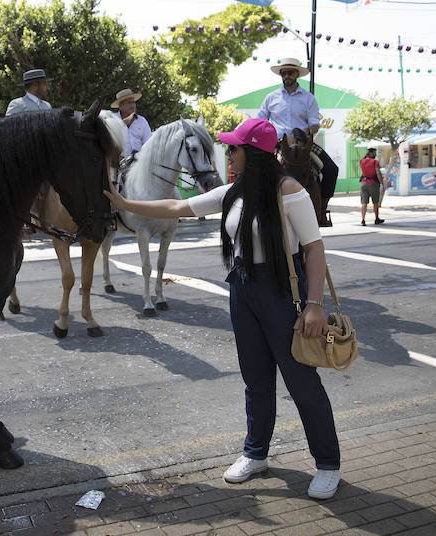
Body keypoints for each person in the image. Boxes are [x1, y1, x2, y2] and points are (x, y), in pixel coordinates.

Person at [104, 118, 342, 500]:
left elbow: (314, 248)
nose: (228, 154)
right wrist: (124, 203)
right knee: (255, 378)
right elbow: (179, 205)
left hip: (283, 291)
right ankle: (255, 453)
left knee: (301, 381)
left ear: (256, 154)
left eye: (234, 148)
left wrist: (314, 306)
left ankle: (328, 463)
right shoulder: (233, 191)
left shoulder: (290, 190)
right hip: (243, 288)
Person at [258, 58, 339, 211]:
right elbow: (260, 119)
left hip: (302, 144)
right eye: (284, 73)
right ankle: (258, 208)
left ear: (297, 75)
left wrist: (305, 132)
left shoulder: (308, 98)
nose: (287, 76)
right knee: (256, 169)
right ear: (281, 75)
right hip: (277, 143)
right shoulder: (271, 98)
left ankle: (322, 210)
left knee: (331, 169)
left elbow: (314, 124)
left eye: (290, 73)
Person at [111, 88, 152, 158]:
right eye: (129, 103)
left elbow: (149, 143)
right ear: (121, 106)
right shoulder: (112, 121)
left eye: (134, 102)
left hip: (139, 162)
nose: (133, 106)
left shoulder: (142, 121)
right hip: (118, 164)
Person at [359, 147, 385, 226]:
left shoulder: (362, 161)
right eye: (374, 153)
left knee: (364, 203)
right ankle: (376, 218)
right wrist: (382, 183)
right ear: (371, 153)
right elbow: (378, 172)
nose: (375, 154)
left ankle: (363, 219)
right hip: (373, 183)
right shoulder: (375, 162)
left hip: (363, 183)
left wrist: (365, 155)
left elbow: (363, 161)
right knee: (375, 202)